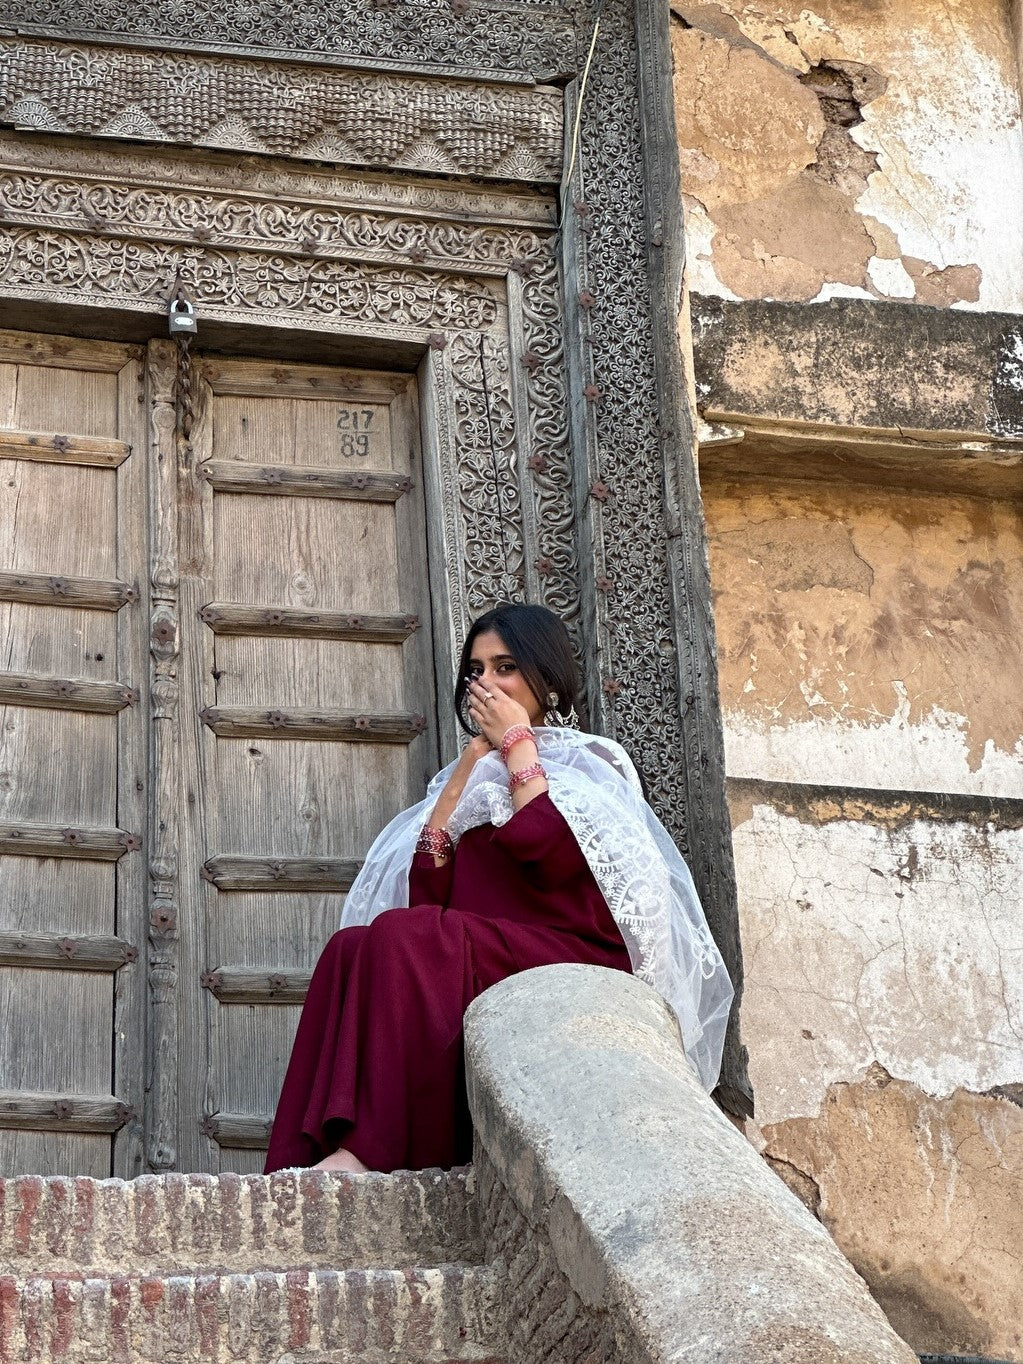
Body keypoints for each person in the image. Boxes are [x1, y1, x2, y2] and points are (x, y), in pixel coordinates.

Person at [264, 603, 733, 1175]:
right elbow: (429, 889)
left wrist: (518, 746)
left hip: (570, 949)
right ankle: (308, 1156)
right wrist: (470, 765)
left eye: (505, 666)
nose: (485, 682)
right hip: (485, 949)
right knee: (351, 949)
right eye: (477, 668)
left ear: (546, 680)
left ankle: (368, 1152)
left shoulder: (588, 763)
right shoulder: (476, 771)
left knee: (405, 937)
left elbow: (550, 854)